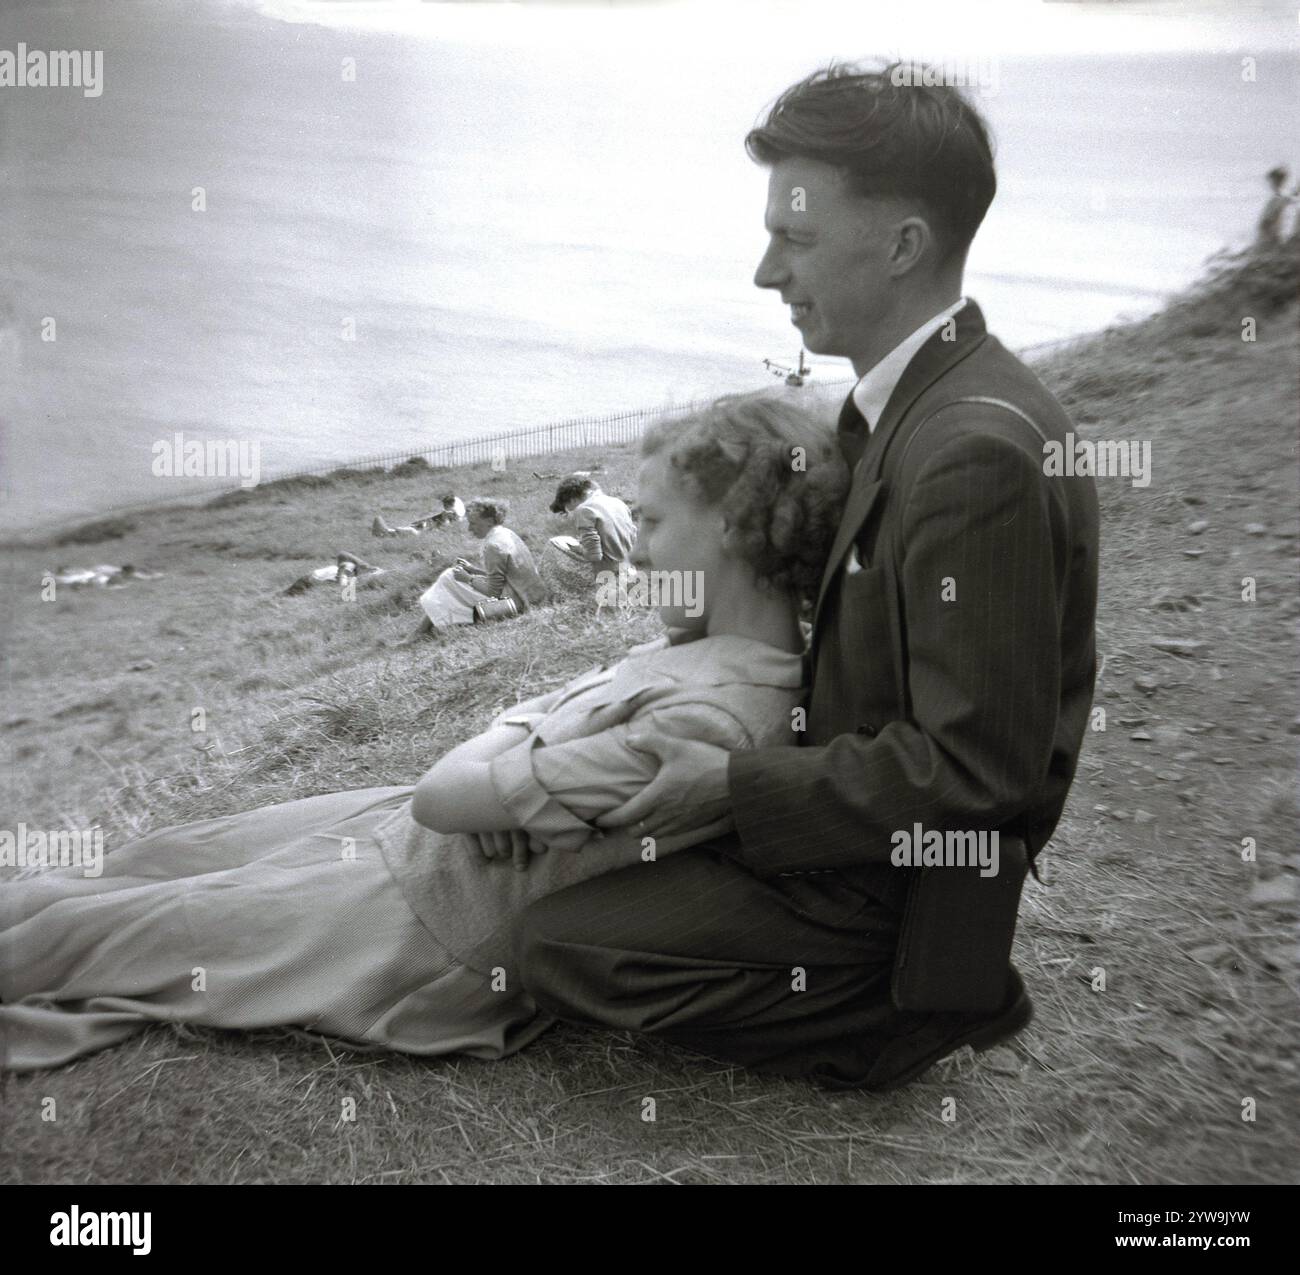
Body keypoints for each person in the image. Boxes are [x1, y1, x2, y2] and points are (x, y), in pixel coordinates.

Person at [512, 62, 1101, 1091]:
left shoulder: (974, 453)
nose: (764, 272)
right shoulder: (892, 409)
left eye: (794, 237)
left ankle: (905, 1010)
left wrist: (734, 788)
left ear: (903, 244)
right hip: (833, 824)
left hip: (890, 890)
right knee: (562, 874)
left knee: (548, 948)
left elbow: (977, 775)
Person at [0, 395, 846, 1072]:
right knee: (169, 854)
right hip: (413, 846)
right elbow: (466, 783)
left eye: (654, 523)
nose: (640, 550)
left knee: (97, 933)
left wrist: (500, 769)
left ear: (732, 528)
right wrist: (517, 764)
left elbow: (450, 792)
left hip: (421, 928)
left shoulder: (715, 716)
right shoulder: (700, 648)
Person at [407, 498, 547, 638]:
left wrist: (468, 578)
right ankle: (427, 628)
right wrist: (474, 570)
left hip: (516, 603)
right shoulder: (506, 533)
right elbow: (507, 575)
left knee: (448, 578)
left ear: (489, 522)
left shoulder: (493, 546)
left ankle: (421, 631)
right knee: (450, 579)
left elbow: (494, 592)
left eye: (473, 523)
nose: (469, 529)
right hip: (530, 595)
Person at [545, 475, 638, 580]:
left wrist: (578, 549)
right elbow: (633, 535)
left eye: (568, 510)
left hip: (610, 575)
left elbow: (595, 556)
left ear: (572, 500)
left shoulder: (583, 510)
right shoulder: (617, 502)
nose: (571, 514)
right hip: (630, 566)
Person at [282, 551, 385, 597]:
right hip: (307, 581)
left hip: (310, 580)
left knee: (286, 597)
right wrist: (366, 567)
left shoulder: (348, 575)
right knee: (285, 597)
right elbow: (342, 555)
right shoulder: (347, 571)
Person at [372, 495, 466, 538]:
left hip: (425, 533)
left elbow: (444, 529)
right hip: (425, 529)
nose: (445, 508)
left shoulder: (454, 518)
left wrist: (445, 519)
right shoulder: (451, 515)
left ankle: (386, 532)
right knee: (411, 530)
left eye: (447, 506)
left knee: (412, 532)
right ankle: (387, 532)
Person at [1256, 166, 1293, 245]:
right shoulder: (1283, 199)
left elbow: (1267, 223)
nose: (1270, 184)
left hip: (1272, 239)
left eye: (1271, 181)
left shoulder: (1278, 199)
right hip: (1274, 238)